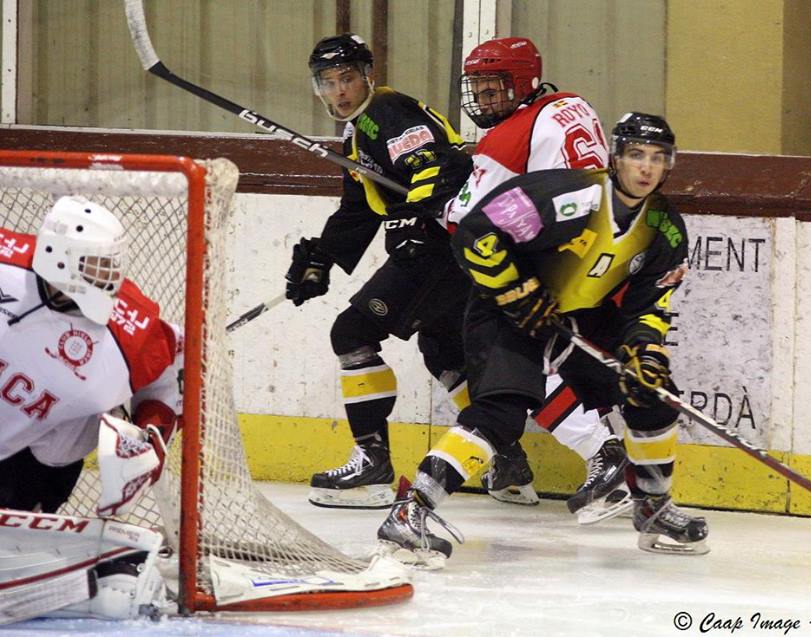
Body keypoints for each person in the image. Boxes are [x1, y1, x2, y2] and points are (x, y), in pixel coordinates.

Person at [377, 113, 709, 567]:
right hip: (504, 309)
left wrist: (644, 350)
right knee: (499, 415)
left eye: (657, 158)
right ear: (616, 158)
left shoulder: (665, 228)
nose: (645, 168)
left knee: (653, 391)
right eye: (636, 155)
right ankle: (410, 512)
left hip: (575, 315)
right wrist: (516, 290)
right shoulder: (572, 195)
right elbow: (476, 231)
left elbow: (649, 306)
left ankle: (653, 508)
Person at [286, 33, 473, 509]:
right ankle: (509, 461)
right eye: (328, 83)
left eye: (347, 78)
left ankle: (373, 464)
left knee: (351, 332)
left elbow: (437, 163)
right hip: (448, 250)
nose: (339, 91)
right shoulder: (359, 130)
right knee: (444, 349)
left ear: (368, 76)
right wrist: (322, 258)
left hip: (439, 246)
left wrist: (415, 213)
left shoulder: (385, 113)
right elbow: (360, 209)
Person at [446, 37, 627, 517]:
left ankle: (605, 458)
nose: (484, 101)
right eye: (479, 91)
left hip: (555, 260)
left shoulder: (505, 138)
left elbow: (465, 221)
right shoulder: (571, 106)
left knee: (524, 365)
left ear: (523, 81)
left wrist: (441, 196)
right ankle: (634, 478)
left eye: (493, 90)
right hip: (604, 251)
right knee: (578, 364)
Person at [0, 195, 182, 620]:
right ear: (57, 255)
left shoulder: (130, 326)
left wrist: (149, 437)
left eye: (111, 266)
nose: (110, 278)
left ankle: (79, 563)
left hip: (29, 464)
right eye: (97, 266)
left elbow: (164, 382)